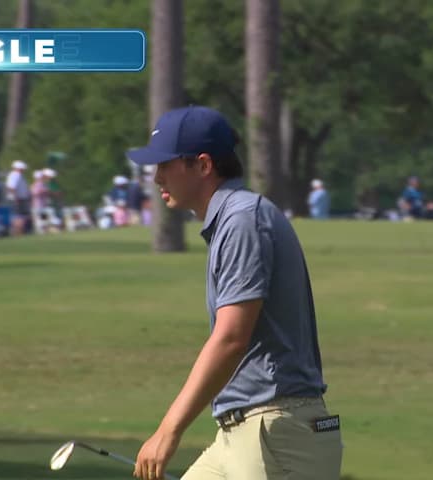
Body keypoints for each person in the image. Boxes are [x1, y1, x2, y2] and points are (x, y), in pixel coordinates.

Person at [126, 106, 342, 480]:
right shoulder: (232, 219)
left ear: (204, 165)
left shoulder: (242, 220)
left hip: (276, 433)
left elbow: (230, 338)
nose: (157, 176)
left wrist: (168, 431)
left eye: (166, 164)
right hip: (242, 432)